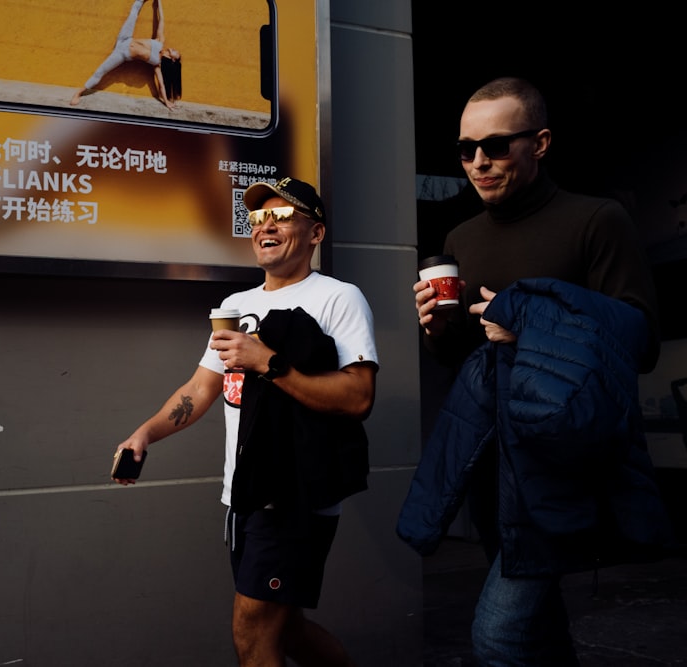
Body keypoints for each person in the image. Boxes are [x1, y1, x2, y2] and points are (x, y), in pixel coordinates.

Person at [397, 77, 672, 666]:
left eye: (495, 146)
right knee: (540, 636)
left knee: (498, 637)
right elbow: (463, 359)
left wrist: (534, 326)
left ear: (540, 142)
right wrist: (436, 331)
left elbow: (641, 339)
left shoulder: (598, 220)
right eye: (466, 149)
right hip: (488, 463)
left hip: (563, 463)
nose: (478, 162)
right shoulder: (460, 238)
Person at [113, 176, 377, 667]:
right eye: (258, 218)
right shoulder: (236, 308)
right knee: (288, 631)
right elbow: (199, 389)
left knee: (252, 635)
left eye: (281, 216)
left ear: (315, 234)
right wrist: (145, 433)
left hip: (293, 494)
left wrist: (269, 362)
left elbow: (359, 397)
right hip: (244, 495)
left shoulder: (338, 298)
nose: (265, 226)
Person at [70, 0, 182, 110]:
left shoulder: (157, 64)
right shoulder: (160, 41)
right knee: (134, 13)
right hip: (126, 38)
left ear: (172, 60)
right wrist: (159, 2)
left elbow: (161, 84)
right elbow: (161, 20)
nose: (175, 50)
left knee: (100, 72)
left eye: (176, 53)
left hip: (122, 54)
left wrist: (166, 102)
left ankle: (78, 94)